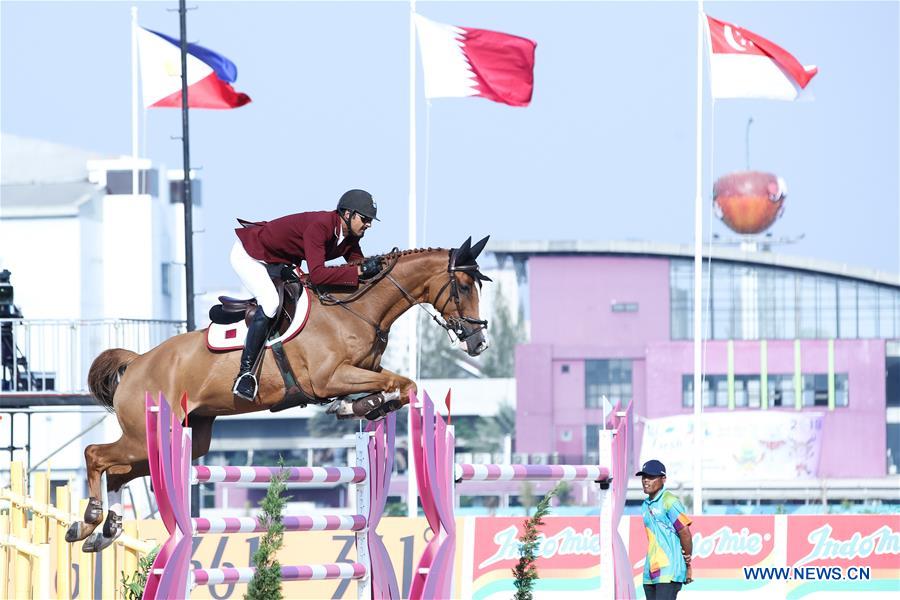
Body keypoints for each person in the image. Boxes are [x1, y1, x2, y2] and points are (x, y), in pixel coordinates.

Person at [229, 189, 382, 401]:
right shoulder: (321, 226)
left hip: (278, 261)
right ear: (348, 214)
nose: (369, 224)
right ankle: (245, 374)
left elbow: (360, 266)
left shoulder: (349, 238)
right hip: (250, 255)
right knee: (271, 303)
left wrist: (381, 268)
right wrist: (359, 271)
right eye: (365, 219)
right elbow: (318, 275)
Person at [637, 459, 694, 600]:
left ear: (663, 479)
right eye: (644, 477)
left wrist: (687, 562)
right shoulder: (645, 504)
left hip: (669, 571)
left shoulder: (669, 501)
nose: (645, 480)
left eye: (650, 477)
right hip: (650, 572)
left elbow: (684, 532)